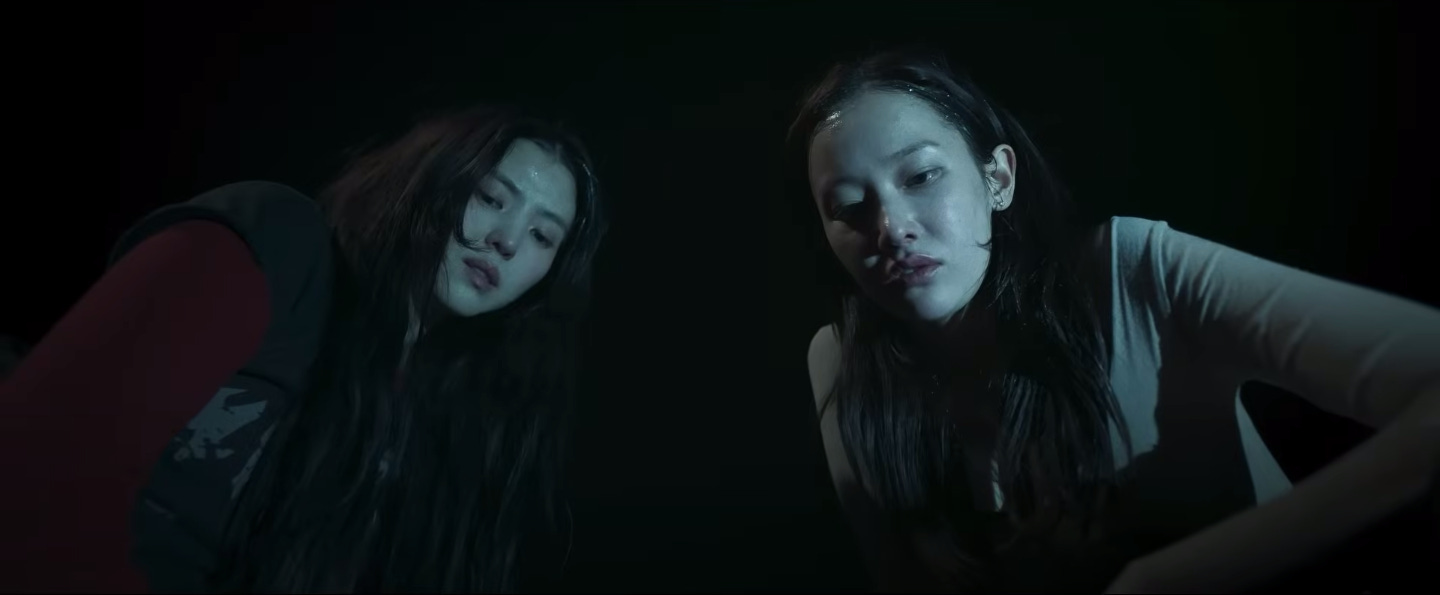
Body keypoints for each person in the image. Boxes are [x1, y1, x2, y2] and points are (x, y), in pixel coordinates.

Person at [790, 49, 1439, 593]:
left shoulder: (1136, 273)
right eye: (847, 207)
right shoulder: (842, 364)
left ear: (998, 179)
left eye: (923, 175)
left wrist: (1164, 577)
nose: (892, 226)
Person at [0, 106, 608, 593]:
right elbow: (42, 470)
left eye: (542, 235)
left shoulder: (433, 420)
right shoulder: (279, 244)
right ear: (429, 178)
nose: (507, 241)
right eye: (492, 198)